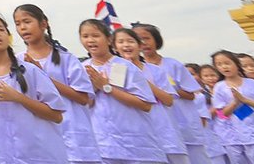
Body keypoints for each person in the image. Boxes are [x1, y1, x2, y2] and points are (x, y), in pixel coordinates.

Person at [0, 12, 66, 164]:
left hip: (41, 154)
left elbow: (56, 115)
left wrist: (18, 97)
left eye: (0, 29)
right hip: (1, 155)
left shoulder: (29, 70)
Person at [12, 4, 100, 164]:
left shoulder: (66, 58)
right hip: (39, 138)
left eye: (27, 21)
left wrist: (42, 76)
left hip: (74, 136)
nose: (23, 27)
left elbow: (83, 98)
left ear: (44, 24)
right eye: (18, 24)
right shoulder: (16, 61)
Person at [78, 19, 163, 164]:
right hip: (103, 145)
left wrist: (106, 87)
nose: (91, 40)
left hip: (136, 145)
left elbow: (145, 104)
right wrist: (92, 89)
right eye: (85, 36)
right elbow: (83, 105)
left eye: (96, 35)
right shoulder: (81, 68)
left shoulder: (124, 66)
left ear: (109, 39)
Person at [133, 23, 210, 164]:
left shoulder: (172, 65)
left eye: (146, 38)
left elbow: (191, 94)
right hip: (159, 126)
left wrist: (166, 89)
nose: (143, 43)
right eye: (138, 39)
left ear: (156, 40)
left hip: (183, 122)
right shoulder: (132, 69)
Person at [113, 28, 189, 164]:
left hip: (165, 130)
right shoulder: (116, 72)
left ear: (139, 45)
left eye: (130, 41)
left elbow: (169, 100)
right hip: (136, 134)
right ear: (114, 47)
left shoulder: (155, 70)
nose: (126, 45)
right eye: (121, 42)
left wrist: (141, 80)